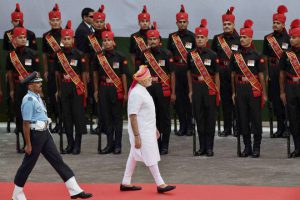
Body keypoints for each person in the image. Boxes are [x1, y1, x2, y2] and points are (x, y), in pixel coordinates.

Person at [11, 71, 92, 200]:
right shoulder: (28, 100)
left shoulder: (37, 97)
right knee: (28, 165)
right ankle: (16, 193)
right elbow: (25, 124)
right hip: (35, 135)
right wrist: (28, 143)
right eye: (38, 83)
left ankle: (74, 190)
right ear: (30, 85)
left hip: (44, 133)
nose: (40, 84)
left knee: (58, 161)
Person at [121, 65, 176, 193]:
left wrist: (154, 128)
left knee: (133, 155)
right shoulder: (136, 93)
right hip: (141, 131)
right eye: (148, 77)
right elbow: (133, 115)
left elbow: (148, 113)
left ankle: (125, 181)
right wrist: (136, 136)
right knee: (150, 155)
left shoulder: (143, 90)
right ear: (142, 80)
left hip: (147, 128)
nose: (151, 79)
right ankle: (160, 183)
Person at [138, 22, 176, 155]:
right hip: (149, 91)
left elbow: (172, 74)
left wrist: (173, 92)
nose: (152, 41)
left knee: (164, 118)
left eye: (155, 39)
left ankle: (165, 145)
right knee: (151, 118)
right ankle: (154, 144)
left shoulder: (167, 54)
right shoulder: (144, 54)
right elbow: (141, 73)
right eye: (150, 39)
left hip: (163, 90)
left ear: (159, 40)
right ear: (147, 41)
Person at [231, 19, 267, 158]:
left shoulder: (258, 56)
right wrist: (234, 92)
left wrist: (264, 93)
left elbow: (262, 76)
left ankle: (256, 147)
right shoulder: (236, 56)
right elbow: (233, 75)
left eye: (244, 37)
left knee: (256, 119)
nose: (242, 39)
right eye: (240, 36)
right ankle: (247, 147)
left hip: (254, 90)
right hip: (240, 89)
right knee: (243, 118)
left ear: (251, 38)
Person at [93, 24, 129, 154]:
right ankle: (109, 144)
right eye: (105, 40)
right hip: (103, 89)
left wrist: (125, 92)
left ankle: (118, 145)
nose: (107, 42)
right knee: (106, 118)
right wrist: (96, 90)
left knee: (117, 118)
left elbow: (124, 75)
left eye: (109, 40)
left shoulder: (120, 56)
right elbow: (95, 74)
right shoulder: (99, 56)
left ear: (113, 42)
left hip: (116, 89)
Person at [187, 19, 220, 156]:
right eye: (198, 37)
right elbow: (189, 73)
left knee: (210, 118)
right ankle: (202, 147)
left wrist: (217, 90)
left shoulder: (212, 55)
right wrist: (190, 90)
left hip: (209, 88)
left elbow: (217, 74)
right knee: (199, 118)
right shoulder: (191, 55)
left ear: (206, 38)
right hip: (196, 88)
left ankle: (210, 147)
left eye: (202, 37)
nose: (199, 39)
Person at [55, 21, 88, 155]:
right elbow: (57, 74)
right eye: (65, 39)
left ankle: (78, 145)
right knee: (67, 117)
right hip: (64, 86)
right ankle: (70, 143)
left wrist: (85, 89)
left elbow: (84, 74)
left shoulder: (79, 54)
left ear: (73, 39)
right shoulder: (58, 55)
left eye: (69, 38)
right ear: (62, 40)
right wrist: (58, 90)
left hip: (77, 88)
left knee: (77, 116)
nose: (67, 41)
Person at [6, 24, 40, 153]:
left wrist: (37, 89)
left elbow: (37, 73)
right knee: (20, 116)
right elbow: (9, 74)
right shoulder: (10, 56)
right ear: (14, 39)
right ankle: (25, 142)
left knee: (32, 115)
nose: (22, 39)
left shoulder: (33, 53)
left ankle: (34, 142)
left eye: (24, 37)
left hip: (30, 89)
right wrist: (11, 90)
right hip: (17, 88)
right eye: (19, 37)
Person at [211, 7, 240, 137]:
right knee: (226, 102)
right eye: (224, 24)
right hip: (221, 73)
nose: (226, 26)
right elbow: (212, 56)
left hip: (235, 73)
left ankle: (238, 127)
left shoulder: (240, 39)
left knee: (237, 101)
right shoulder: (217, 39)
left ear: (233, 25)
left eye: (229, 24)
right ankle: (227, 128)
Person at [262, 5, 290, 138]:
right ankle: (280, 127)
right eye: (274, 22)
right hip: (273, 72)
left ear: (283, 24)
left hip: (285, 72)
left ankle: (288, 127)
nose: (275, 25)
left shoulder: (289, 38)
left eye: (278, 23)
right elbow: (266, 57)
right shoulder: (268, 39)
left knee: (285, 99)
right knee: (275, 100)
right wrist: (267, 74)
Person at [167, 4, 195, 136]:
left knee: (189, 100)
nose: (182, 24)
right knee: (178, 101)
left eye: (184, 22)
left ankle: (189, 126)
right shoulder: (172, 37)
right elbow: (168, 55)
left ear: (187, 22)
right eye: (180, 22)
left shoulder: (193, 36)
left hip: (188, 72)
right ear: (176, 23)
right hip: (176, 72)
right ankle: (182, 125)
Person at [84, 4, 107, 135]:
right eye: (96, 22)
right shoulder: (90, 38)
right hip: (94, 71)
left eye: (101, 22)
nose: (98, 24)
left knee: (105, 98)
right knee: (96, 96)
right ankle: (100, 123)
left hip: (106, 71)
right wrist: (86, 72)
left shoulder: (108, 36)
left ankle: (106, 124)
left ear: (104, 22)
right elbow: (86, 56)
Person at [279, 19, 300, 158]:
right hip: (290, 88)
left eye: (294, 37)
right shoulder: (286, 54)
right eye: (291, 37)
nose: (291, 40)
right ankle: (297, 147)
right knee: (293, 119)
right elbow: (281, 74)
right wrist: (282, 92)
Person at [42, 3, 63, 133]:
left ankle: (63, 121)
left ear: (60, 20)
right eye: (53, 20)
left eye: (57, 20)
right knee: (52, 94)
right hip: (51, 66)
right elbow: (44, 54)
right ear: (49, 21)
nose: (55, 22)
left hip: (63, 66)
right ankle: (56, 121)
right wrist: (45, 70)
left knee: (61, 94)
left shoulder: (66, 33)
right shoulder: (46, 36)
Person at [129, 5, 151, 70]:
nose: (145, 23)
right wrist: (135, 66)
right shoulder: (134, 36)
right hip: (139, 66)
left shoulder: (155, 36)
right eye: (142, 21)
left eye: (146, 21)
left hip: (152, 65)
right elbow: (132, 54)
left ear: (149, 22)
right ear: (139, 23)